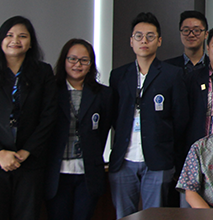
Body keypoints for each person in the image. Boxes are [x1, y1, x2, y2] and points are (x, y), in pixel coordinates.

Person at [108, 12, 188, 218]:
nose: (144, 41)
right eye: (139, 36)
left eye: (150, 36)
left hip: (158, 160)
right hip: (123, 160)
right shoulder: (118, 75)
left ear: (159, 41)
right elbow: (114, 116)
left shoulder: (172, 74)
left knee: (154, 216)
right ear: (131, 41)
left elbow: (180, 119)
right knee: (124, 216)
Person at [46, 39, 116, 220]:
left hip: (88, 173)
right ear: (64, 61)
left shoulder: (103, 94)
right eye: (72, 59)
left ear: (91, 64)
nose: (77, 64)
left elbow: (103, 131)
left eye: (84, 60)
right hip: (57, 174)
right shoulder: (51, 91)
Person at [0, 16, 56, 220]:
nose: (15, 40)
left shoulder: (43, 72)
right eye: (9, 35)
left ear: (31, 42)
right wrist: (1, 153)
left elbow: (49, 115)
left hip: (30, 162)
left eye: (22, 36)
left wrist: (27, 150)